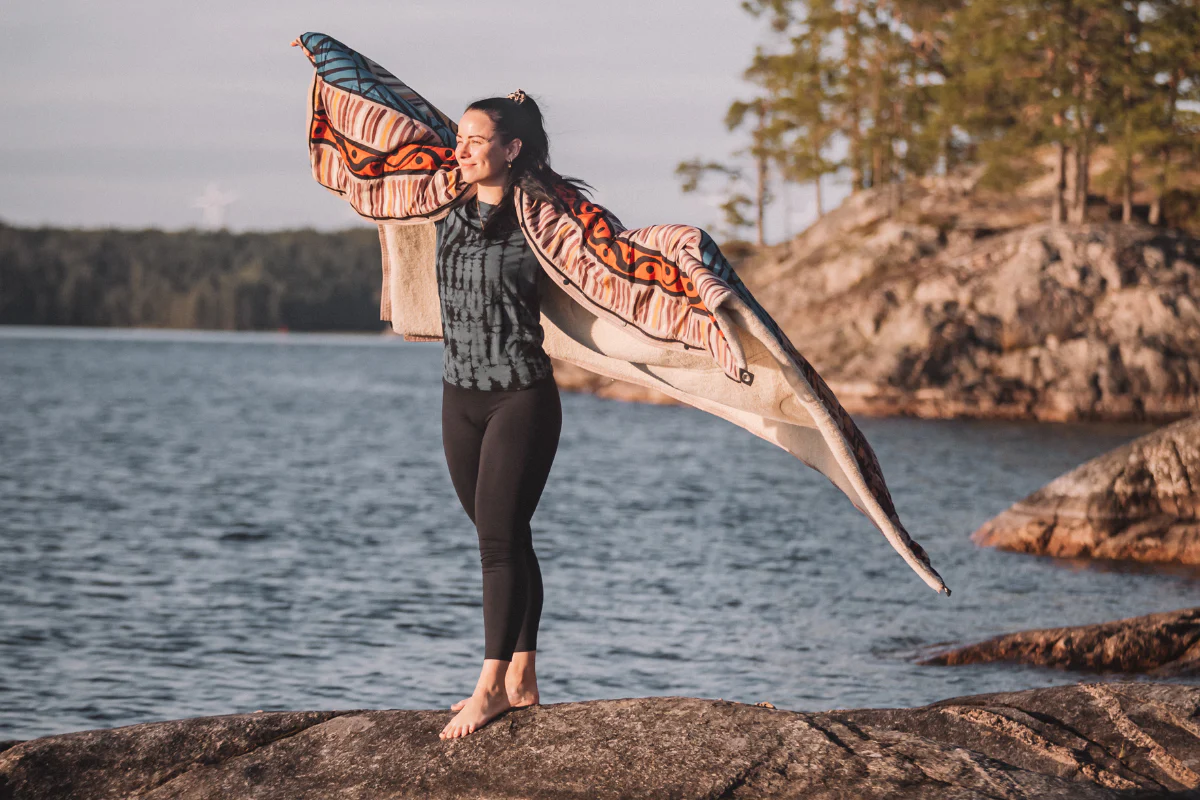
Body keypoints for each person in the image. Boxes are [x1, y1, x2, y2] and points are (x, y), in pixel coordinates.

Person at [435, 90, 590, 740]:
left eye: (476, 139)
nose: (462, 149)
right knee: (505, 533)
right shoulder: (446, 211)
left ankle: (490, 686)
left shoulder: (545, 223)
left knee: (496, 541)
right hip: (458, 394)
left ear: (512, 149)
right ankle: (524, 674)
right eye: (460, 138)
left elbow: (605, 271)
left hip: (520, 397)